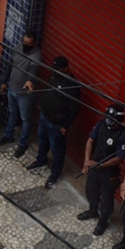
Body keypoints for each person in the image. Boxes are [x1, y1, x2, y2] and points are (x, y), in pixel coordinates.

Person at [27, 56, 81, 190]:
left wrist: (65, 125)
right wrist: (41, 102)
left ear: (66, 68)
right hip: (45, 117)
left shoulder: (73, 85)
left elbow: (75, 108)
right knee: (42, 140)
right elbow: (47, 88)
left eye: (59, 69)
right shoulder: (54, 75)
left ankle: (55, 173)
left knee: (57, 150)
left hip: (57, 124)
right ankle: (41, 161)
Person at [78, 102, 125, 236]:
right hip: (95, 167)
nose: (109, 121)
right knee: (91, 190)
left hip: (109, 172)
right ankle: (92, 210)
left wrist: (101, 165)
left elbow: (119, 158)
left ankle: (103, 221)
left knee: (107, 198)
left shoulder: (124, 136)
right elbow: (90, 141)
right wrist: (86, 161)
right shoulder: (101, 125)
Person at [0, 32, 41, 158]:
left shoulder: (36, 55)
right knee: (12, 113)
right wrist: (4, 81)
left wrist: (30, 80)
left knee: (26, 119)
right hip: (12, 88)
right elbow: (10, 64)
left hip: (24, 95)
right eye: (24, 42)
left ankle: (22, 143)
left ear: (34, 44)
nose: (25, 45)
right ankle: (8, 135)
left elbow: (33, 70)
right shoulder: (18, 47)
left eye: (28, 44)